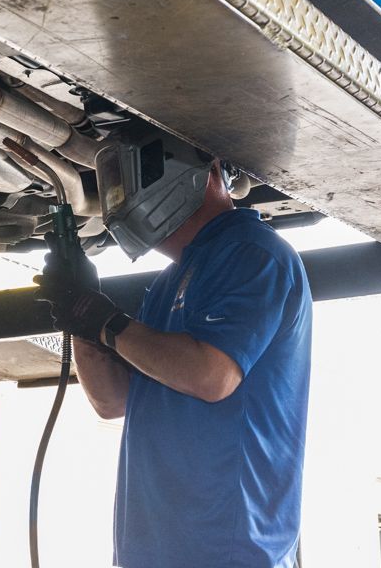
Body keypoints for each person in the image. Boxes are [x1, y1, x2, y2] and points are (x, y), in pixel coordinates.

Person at [38, 133, 312, 568]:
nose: (125, 194)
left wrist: (107, 323)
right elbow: (113, 401)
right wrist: (83, 323)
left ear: (204, 170)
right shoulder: (169, 283)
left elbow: (211, 375)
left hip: (225, 554)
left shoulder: (254, 254)